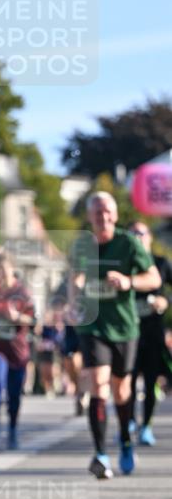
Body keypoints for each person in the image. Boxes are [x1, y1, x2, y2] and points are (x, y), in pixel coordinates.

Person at [72, 193, 160, 479]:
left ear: (116, 215)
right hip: (93, 325)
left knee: (122, 390)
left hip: (124, 327)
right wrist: (75, 301)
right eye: (97, 212)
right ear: (90, 216)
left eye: (108, 211)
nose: (103, 217)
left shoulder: (129, 243)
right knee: (99, 383)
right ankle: (100, 454)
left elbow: (154, 278)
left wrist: (128, 281)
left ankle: (124, 438)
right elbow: (74, 280)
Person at [0, 251, 35, 450]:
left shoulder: (22, 292)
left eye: (2, 268)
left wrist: (18, 316)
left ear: (11, 269)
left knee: (14, 393)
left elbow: (33, 319)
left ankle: (12, 428)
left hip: (16, 350)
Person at [128, 221, 172, 446]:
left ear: (150, 237)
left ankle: (146, 426)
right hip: (127, 332)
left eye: (141, 233)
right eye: (132, 233)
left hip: (153, 331)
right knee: (128, 381)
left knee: (151, 381)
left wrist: (165, 300)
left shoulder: (161, 263)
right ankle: (129, 421)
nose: (137, 237)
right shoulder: (124, 264)